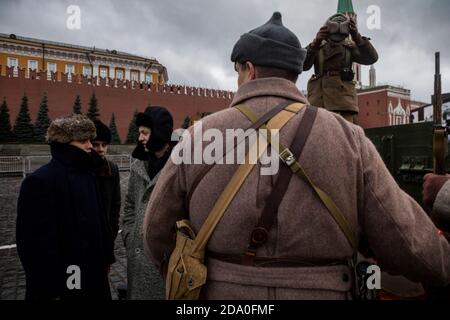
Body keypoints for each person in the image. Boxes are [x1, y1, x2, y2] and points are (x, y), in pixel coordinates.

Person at [143, 12, 450, 300]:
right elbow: (407, 241)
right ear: (293, 73)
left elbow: (156, 232)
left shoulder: (200, 135)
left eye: (237, 71)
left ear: (248, 70)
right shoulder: (348, 137)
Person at [16, 114, 114, 300]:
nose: (90, 146)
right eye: (83, 140)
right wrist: (54, 289)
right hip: (66, 282)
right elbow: (33, 247)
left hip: (93, 275)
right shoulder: (39, 182)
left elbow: (100, 223)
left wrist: (106, 257)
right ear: (65, 142)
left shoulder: (89, 175)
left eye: (89, 140)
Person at [121, 106, 174, 299]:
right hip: (136, 259)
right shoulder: (138, 166)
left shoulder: (180, 169)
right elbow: (129, 207)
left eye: (145, 133)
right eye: (139, 133)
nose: (140, 138)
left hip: (165, 262)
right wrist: (129, 235)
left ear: (159, 133)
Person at [303, 13, 378, 122]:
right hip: (320, 101)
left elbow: (371, 58)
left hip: (344, 104)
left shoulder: (349, 47)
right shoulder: (318, 46)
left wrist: (357, 37)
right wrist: (315, 43)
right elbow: (302, 65)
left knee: (345, 135)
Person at [91, 120, 121, 272]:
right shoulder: (81, 170)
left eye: (104, 145)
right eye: (96, 144)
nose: (101, 149)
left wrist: (111, 234)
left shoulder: (112, 169)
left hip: (105, 243)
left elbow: (116, 206)